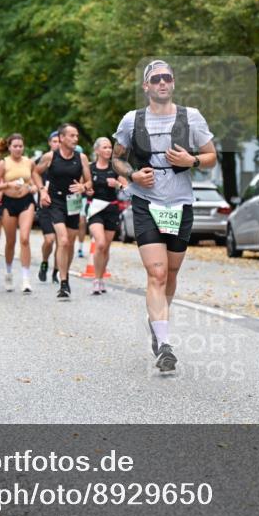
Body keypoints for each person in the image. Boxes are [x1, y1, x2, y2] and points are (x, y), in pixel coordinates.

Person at [112, 60, 218, 372]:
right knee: (156, 273)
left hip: (180, 204)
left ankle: (157, 323)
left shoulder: (192, 117)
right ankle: (165, 343)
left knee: (171, 273)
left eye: (167, 78)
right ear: (146, 86)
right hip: (146, 202)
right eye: (155, 79)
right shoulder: (132, 121)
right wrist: (133, 176)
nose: (162, 83)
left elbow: (211, 156)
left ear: (173, 83)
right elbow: (116, 160)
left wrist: (193, 159)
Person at [36, 123, 92, 300]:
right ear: (61, 138)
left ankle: (63, 273)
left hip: (73, 202)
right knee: (63, 239)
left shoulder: (81, 157)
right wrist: (42, 191)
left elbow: (89, 182)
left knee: (70, 243)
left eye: (77, 136)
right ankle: (63, 282)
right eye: (72, 136)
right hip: (56, 202)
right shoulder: (50, 156)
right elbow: (35, 173)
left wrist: (83, 186)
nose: (76, 139)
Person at [0, 133, 41, 293]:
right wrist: (7, 185)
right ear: (9, 147)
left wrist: (34, 187)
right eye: (15, 146)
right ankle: (9, 272)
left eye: (20, 146)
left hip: (26, 201)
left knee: (25, 238)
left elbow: (35, 180)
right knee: (10, 241)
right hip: (8, 203)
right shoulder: (3, 164)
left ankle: (26, 279)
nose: (18, 149)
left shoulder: (29, 162)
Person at [87, 137, 128, 295]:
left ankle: (101, 277)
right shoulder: (90, 168)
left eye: (110, 147)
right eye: (104, 147)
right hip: (95, 209)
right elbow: (85, 185)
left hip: (111, 209)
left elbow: (127, 187)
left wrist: (117, 185)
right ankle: (96, 280)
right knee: (101, 244)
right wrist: (87, 190)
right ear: (97, 150)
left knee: (106, 247)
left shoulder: (115, 168)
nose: (108, 150)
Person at [35, 131, 60, 283]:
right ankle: (45, 262)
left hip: (61, 205)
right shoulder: (43, 159)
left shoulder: (69, 160)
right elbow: (34, 175)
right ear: (50, 143)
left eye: (59, 141)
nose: (57, 144)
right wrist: (40, 190)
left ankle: (56, 271)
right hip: (46, 205)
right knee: (50, 240)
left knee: (61, 241)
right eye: (54, 141)